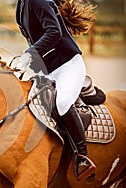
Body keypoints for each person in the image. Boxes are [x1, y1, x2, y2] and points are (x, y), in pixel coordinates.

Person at [15, 0, 97, 180]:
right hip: (49, 69)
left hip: (68, 65)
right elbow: (34, 37)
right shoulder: (21, 4)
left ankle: (82, 156)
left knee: (62, 103)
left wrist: (31, 53)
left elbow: (54, 31)